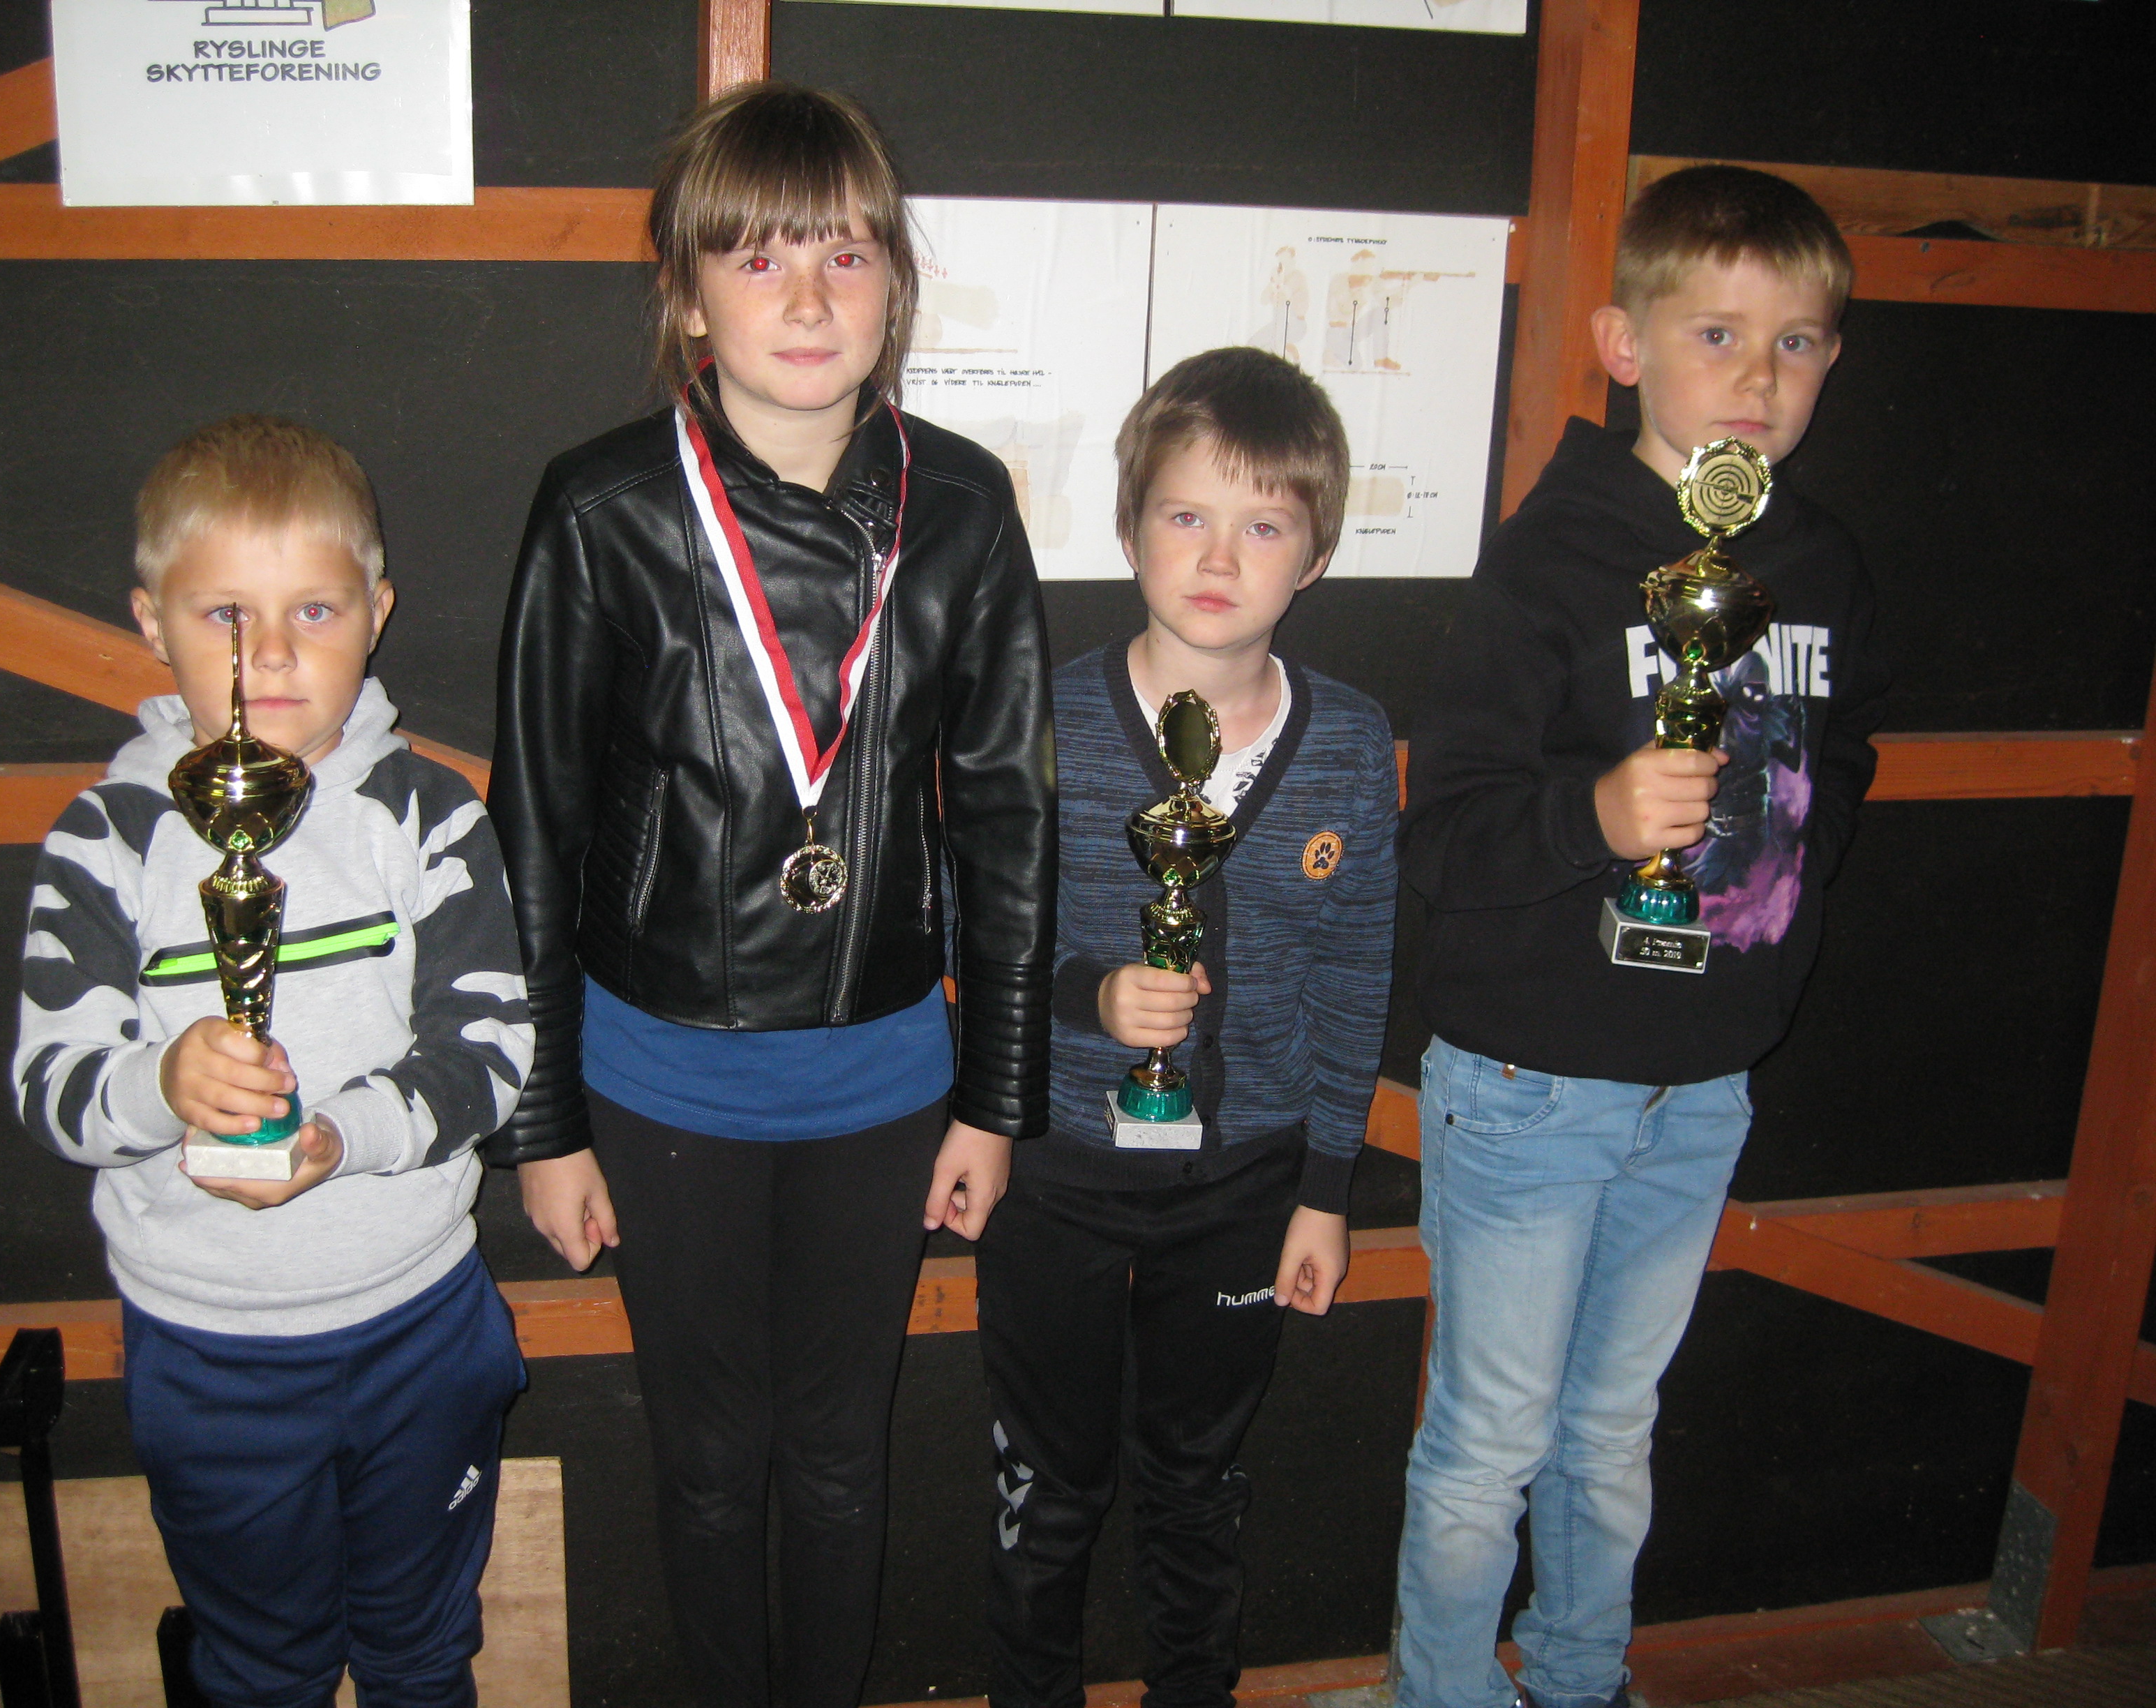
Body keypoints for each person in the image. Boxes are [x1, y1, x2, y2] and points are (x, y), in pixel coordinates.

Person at [486, 84, 1055, 1708]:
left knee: (843, 1453)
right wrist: (543, 1126)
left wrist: (997, 1099)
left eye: (845, 255)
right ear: (686, 295)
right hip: (660, 1072)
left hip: (885, 1074)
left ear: (896, 288)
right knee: (707, 1457)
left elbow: (1009, 822)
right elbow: (535, 831)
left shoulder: (964, 509)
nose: (807, 298)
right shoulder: (601, 508)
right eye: (756, 258)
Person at [1394, 166, 1887, 1708]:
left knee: (1614, 1430)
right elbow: (1445, 835)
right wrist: (1598, 818)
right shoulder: (1550, 559)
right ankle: (1444, 1692)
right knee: (1491, 1440)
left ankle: (1582, 1678)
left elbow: (1843, 767)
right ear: (1624, 344)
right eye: (1716, 335)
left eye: (1797, 343)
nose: (1759, 378)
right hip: (1533, 1084)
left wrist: (1776, 919)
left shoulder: (1821, 564)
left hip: (1705, 1083)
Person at [12, 414, 534, 1708]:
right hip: (210, 1349)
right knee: (261, 1667)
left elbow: (488, 1053)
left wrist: (341, 1134)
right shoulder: (108, 835)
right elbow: (49, 1087)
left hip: (418, 1323)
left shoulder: (428, 814)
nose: (273, 656)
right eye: (225, 616)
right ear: (152, 623)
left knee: (424, 1652)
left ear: (378, 612)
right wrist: (161, 1083)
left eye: (314, 609)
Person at [978, 347, 1399, 1708]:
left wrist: (1326, 1190)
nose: (1220, 556)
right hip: (1057, 1172)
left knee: (1197, 1482)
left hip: (1245, 1185)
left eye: (1264, 525)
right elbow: (981, 933)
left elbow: (1355, 973)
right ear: (1128, 529)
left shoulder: (1351, 742)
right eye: (1186, 515)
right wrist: (1090, 998)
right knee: (1046, 1487)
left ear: (1314, 558)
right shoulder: (1042, 718)